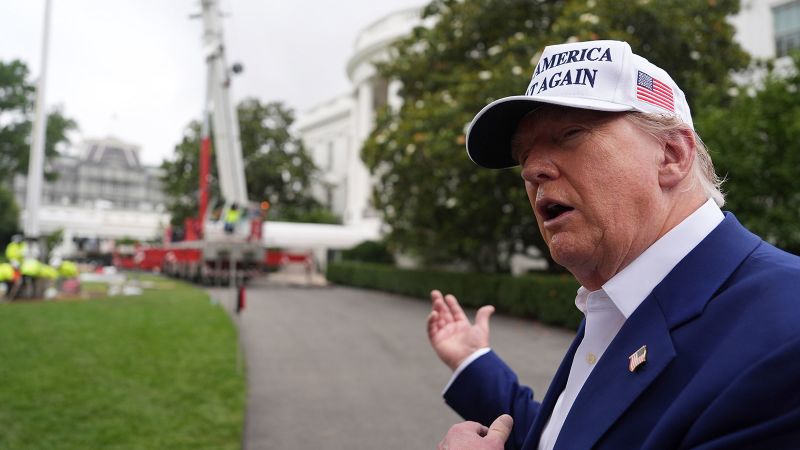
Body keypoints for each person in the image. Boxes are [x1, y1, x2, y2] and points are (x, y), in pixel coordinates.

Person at [428, 40, 800, 449]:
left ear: (671, 155)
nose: (532, 170)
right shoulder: (624, 296)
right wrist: (472, 362)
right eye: (523, 155)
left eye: (569, 134)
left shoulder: (787, 331)